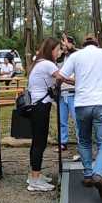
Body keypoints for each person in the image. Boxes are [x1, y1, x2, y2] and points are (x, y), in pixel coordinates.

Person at [58, 35, 102, 201]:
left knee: (85, 141)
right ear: (97, 44)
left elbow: (60, 76)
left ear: (83, 45)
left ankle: (88, 174)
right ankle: (99, 173)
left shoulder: (76, 56)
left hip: (81, 104)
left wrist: (56, 89)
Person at [25, 38, 62, 192]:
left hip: (36, 105)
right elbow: (62, 77)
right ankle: (34, 180)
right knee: (39, 142)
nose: (59, 52)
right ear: (51, 50)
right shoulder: (47, 64)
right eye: (58, 49)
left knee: (37, 141)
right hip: (40, 106)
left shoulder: (39, 62)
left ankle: (35, 174)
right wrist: (80, 81)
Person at [57, 35, 78, 151]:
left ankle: (81, 142)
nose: (63, 46)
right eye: (62, 44)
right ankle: (63, 142)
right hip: (62, 92)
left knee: (77, 120)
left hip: (73, 92)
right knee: (62, 120)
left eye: (65, 44)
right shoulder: (60, 58)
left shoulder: (76, 56)